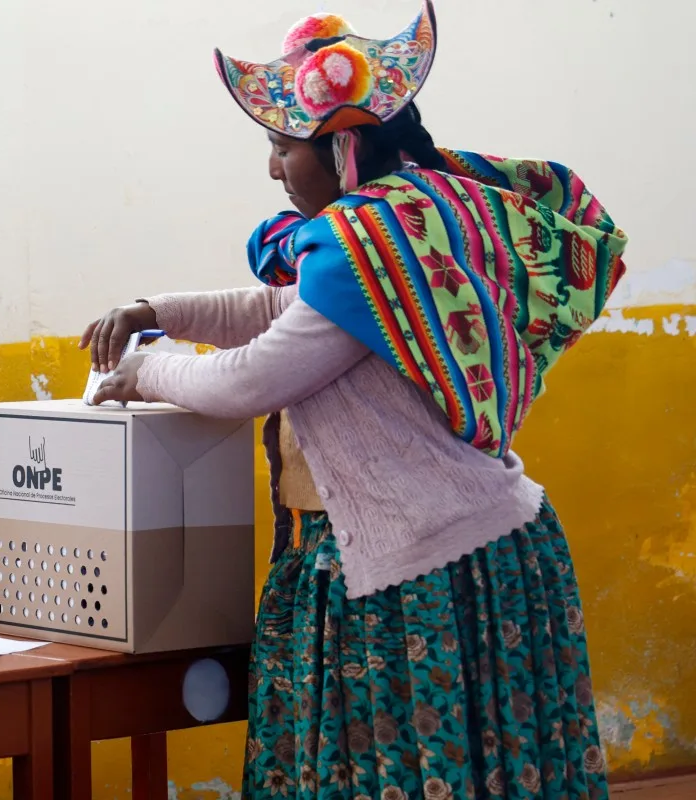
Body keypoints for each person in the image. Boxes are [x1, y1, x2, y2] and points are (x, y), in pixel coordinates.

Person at [82, 2, 627, 797]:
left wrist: (144, 370)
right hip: (476, 551)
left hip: (431, 574)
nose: (273, 169)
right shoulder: (414, 222)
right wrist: (158, 311)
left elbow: (250, 380)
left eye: (281, 147)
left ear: (340, 148)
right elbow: (290, 310)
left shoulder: (372, 243)